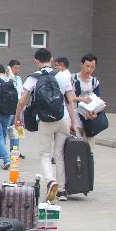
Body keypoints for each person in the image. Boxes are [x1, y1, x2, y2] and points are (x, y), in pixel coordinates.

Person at [14, 48, 77, 201]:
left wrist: (17, 117)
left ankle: (50, 181)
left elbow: (22, 101)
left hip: (45, 120)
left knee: (45, 154)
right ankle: (62, 191)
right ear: (52, 59)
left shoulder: (33, 78)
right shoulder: (62, 76)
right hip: (63, 119)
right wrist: (74, 122)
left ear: (36, 61)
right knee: (59, 154)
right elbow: (71, 101)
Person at [72, 53, 101, 147]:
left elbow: (97, 99)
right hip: (73, 117)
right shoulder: (72, 79)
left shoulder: (94, 82)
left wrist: (95, 114)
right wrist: (82, 99)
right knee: (73, 147)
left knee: (89, 148)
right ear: (81, 64)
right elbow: (66, 98)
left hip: (88, 118)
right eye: (87, 66)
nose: (89, 69)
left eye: (92, 67)